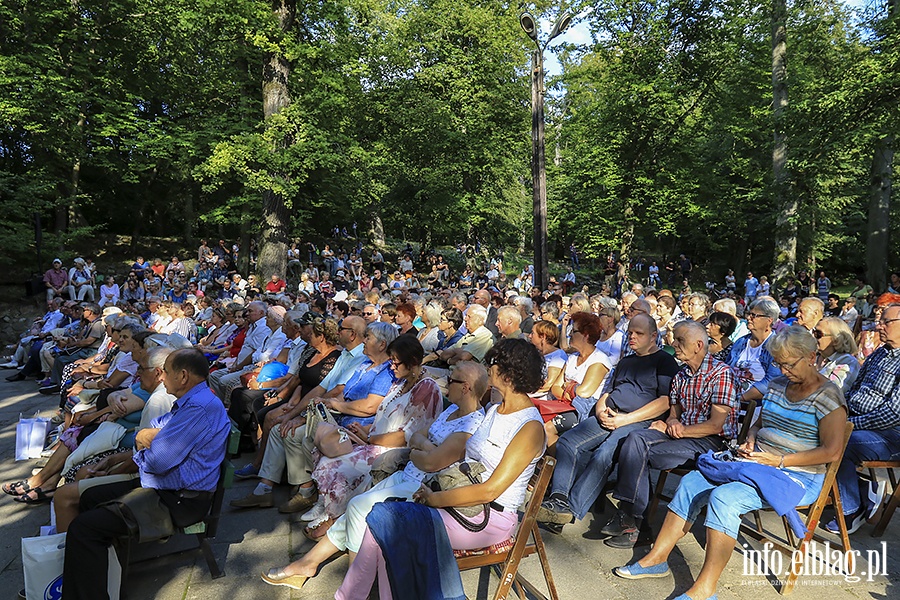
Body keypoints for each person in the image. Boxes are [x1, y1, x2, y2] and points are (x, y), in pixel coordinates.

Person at [613, 326, 846, 600]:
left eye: (789, 364)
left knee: (724, 498)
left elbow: (831, 452)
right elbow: (761, 423)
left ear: (811, 356)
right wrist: (751, 437)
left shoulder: (828, 395)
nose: (784, 371)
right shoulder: (778, 385)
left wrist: (780, 459)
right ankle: (657, 558)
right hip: (758, 464)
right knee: (690, 482)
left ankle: (705, 589)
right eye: (780, 364)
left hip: (796, 475)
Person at [327, 339, 545, 600]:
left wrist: (434, 499)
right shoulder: (496, 410)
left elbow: (490, 490)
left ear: (509, 373)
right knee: (380, 519)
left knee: (387, 522)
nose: (488, 367)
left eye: (493, 363)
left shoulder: (529, 427)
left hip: (488, 517)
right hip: (462, 501)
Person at [60, 349, 230, 600]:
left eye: (167, 373)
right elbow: (155, 429)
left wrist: (142, 443)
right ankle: (92, 579)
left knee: (84, 529)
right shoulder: (191, 401)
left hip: (180, 500)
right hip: (167, 488)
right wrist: (143, 442)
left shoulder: (198, 408)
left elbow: (158, 461)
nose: (162, 379)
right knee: (88, 497)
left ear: (183, 376)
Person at [603, 320, 740, 548]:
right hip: (681, 435)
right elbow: (674, 413)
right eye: (674, 339)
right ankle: (634, 520)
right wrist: (671, 422)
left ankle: (633, 520)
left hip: (712, 442)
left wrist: (680, 428)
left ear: (698, 345)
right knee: (635, 439)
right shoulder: (682, 375)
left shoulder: (721, 374)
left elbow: (716, 425)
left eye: (680, 340)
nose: (674, 344)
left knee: (642, 454)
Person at [537, 313, 679, 533]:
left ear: (653, 336)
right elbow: (609, 390)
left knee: (603, 455)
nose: (632, 336)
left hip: (640, 420)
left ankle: (570, 510)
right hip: (611, 413)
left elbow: (664, 402)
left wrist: (626, 419)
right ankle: (559, 499)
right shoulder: (627, 361)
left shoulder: (664, 361)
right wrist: (602, 409)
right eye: (630, 332)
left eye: (639, 333)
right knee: (568, 442)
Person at [829, 303, 900, 534]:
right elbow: (855, 390)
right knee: (813, 428)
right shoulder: (880, 353)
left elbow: (894, 413)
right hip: (861, 422)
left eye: (886, 322)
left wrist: (849, 425)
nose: (879, 326)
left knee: (840, 442)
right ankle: (865, 492)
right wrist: (837, 411)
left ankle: (851, 509)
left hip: (891, 434)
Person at [545, 312, 612, 447]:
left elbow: (584, 392)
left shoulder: (599, 360)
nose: (569, 334)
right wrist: (571, 388)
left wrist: (566, 386)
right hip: (566, 406)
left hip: (586, 409)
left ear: (585, 335)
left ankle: (555, 465)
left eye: (573, 331)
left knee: (547, 429)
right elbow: (555, 388)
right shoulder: (572, 358)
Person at [814, 317, 861, 394]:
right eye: (814, 332)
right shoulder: (815, 357)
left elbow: (831, 393)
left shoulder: (848, 362)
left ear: (836, 340)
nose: (813, 336)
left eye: (818, 334)